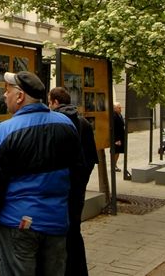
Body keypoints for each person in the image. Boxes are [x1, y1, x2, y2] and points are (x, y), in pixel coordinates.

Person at [0, 71, 81, 276]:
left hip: (16, 223)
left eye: (7, 91)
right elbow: (77, 172)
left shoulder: (6, 130)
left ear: (20, 96)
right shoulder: (66, 124)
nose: (4, 95)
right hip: (56, 222)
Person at [49, 86, 98, 276]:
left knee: (59, 232)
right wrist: (81, 180)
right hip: (77, 188)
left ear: (55, 102)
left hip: (60, 189)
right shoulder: (83, 122)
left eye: (49, 101)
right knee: (74, 230)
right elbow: (92, 158)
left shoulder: (54, 122)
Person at [111, 102, 125, 172]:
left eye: (120, 107)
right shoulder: (114, 116)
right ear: (115, 108)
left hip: (120, 137)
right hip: (116, 138)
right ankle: (113, 166)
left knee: (118, 152)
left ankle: (114, 165)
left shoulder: (119, 115)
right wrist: (116, 139)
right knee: (116, 152)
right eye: (119, 108)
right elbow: (114, 129)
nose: (120, 109)